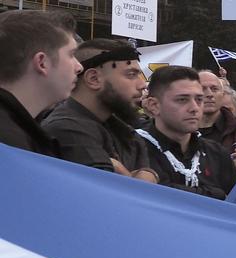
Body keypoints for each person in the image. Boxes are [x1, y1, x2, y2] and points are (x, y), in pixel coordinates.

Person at [41, 38, 157, 182]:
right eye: (131, 75)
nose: (142, 85)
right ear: (94, 79)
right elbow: (111, 193)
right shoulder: (67, 128)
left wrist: (149, 173)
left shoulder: (124, 131)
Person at [138, 66, 236, 198]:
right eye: (182, 99)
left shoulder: (216, 154)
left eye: (198, 99)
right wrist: (216, 194)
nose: (194, 108)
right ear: (154, 105)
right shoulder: (132, 148)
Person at [0, 10, 81, 156]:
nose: (79, 67)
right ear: (42, 62)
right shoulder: (12, 148)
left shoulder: (17, 134)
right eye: (71, 54)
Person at [197, 70, 236, 153]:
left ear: (222, 94)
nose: (209, 94)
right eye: (202, 89)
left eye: (214, 89)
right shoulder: (178, 130)